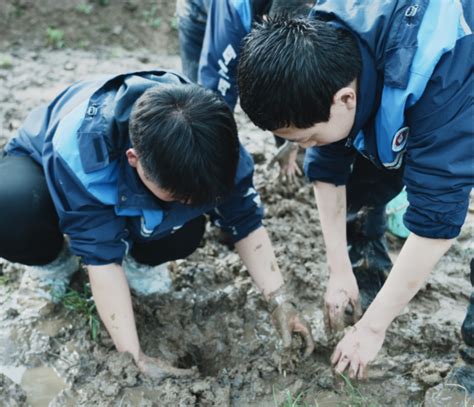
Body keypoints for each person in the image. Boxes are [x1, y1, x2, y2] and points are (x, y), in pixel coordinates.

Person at [0, 70, 314, 379]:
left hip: (142, 187)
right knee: (12, 209)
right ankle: (54, 264)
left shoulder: (215, 142)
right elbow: (102, 259)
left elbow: (244, 221)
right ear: (134, 159)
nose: (189, 203)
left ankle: (141, 263)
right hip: (42, 171)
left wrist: (279, 301)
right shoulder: (80, 151)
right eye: (179, 195)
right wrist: (134, 357)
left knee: (186, 231)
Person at [236, 0, 473, 391]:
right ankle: (366, 262)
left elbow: (437, 224)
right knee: (354, 155)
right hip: (397, 73)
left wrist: (372, 328)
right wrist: (338, 270)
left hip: (460, 74)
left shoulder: (439, 69)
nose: (307, 145)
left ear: (346, 98)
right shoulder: (323, 40)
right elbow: (328, 164)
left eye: (306, 138)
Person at [176, 0, 315, 182]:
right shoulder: (234, 13)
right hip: (199, 15)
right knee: (199, 111)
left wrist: (294, 141)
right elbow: (215, 94)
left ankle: (299, 166)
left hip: (269, 15)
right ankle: (198, 178)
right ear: (265, 22)